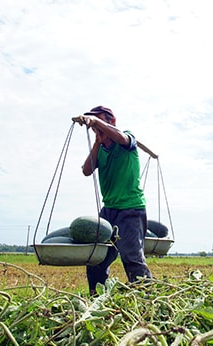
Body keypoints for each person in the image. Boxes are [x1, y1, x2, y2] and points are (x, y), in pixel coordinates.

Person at [73, 105, 151, 296]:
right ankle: (96, 297)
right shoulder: (100, 149)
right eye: (94, 125)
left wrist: (96, 122)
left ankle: (146, 297)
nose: (96, 128)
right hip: (108, 212)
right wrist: (97, 143)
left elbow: (122, 138)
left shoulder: (126, 139)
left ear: (112, 121)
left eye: (100, 121)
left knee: (132, 256)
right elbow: (86, 170)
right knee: (97, 257)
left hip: (131, 209)